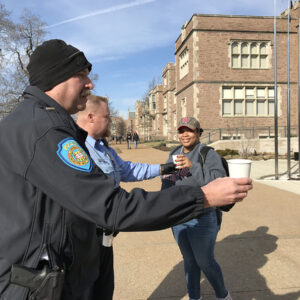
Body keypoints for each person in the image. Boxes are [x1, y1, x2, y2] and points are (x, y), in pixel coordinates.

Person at [0, 39, 252, 299]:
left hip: (64, 269)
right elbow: (111, 206)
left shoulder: (46, 124)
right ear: (57, 76)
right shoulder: (43, 131)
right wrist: (205, 196)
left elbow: (121, 176)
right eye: (81, 75)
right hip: (38, 284)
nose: (90, 83)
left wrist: (167, 171)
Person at [76, 95, 177, 299]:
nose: (111, 121)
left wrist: (163, 168)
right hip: (84, 238)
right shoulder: (77, 149)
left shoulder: (104, 148)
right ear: (91, 117)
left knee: (104, 289)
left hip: (107, 233)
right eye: (107, 117)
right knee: (86, 292)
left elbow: (126, 170)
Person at [162, 117, 232, 300]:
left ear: (199, 133)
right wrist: (164, 204)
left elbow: (219, 184)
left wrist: (192, 168)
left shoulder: (208, 154)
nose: (185, 134)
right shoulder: (174, 153)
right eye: (181, 130)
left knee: (205, 261)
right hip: (179, 218)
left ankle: (223, 296)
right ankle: (195, 297)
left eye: (190, 130)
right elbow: (168, 183)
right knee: (190, 261)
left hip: (202, 217)